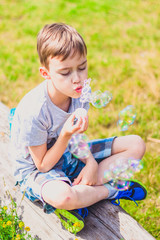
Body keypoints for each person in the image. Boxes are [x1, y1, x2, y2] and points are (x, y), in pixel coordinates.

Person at [10, 23, 147, 234]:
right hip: (36, 170)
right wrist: (64, 134)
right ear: (45, 73)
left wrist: (90, 163)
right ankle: (110, 190)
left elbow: (77, 139)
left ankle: (81, 193)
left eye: (82, 67)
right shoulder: (34, 111)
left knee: (136, 145)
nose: (77, 79)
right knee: (64, 196)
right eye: (65, 72)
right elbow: (43, 165)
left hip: (69, 154)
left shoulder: (80, 91)